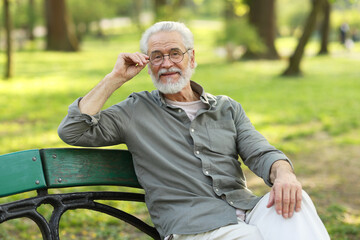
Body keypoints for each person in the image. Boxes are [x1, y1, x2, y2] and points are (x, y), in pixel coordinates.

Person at [58, 21, 330, 240]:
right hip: (195, 229)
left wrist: (285, 175)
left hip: (247, 211)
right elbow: (74, 130)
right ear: (147, 63)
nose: (167, 64)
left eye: (175, 53)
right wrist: (115, 78)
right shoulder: (135, 111)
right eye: (157, 56)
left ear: (191, 57)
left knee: (297, 202)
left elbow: (260, 151)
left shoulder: (226, 108)